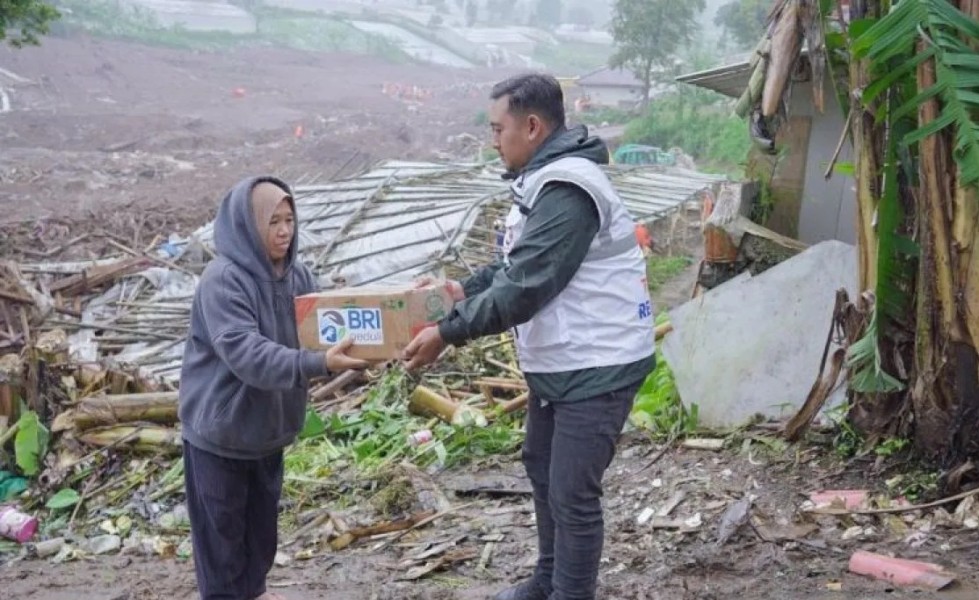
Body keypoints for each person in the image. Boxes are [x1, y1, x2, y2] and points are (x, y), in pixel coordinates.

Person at [403, 73, 656, 600]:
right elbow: (514, 264)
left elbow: (526, 286)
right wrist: (460, 288)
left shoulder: (568, 188)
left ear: (533, 126)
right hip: (563, 361)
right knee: (541, 468)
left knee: (572, 495)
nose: (493, 140)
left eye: (499, 129)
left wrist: (447, 332)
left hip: (597, 363)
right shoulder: (544, 179)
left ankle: (568, 592)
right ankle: (547, 580)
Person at [178, 176, 368, 600]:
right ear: (247, 226)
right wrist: (318, 363)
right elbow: (248, 354)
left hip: (266, 431)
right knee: (221, 543)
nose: (285, 230)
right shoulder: (223, 281)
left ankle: (256, 591)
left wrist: (375, 340)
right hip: (220, 434)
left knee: (260, 535)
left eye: (289, 219)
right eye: (273, 222)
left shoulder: (298, 276)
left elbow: (325, 324)